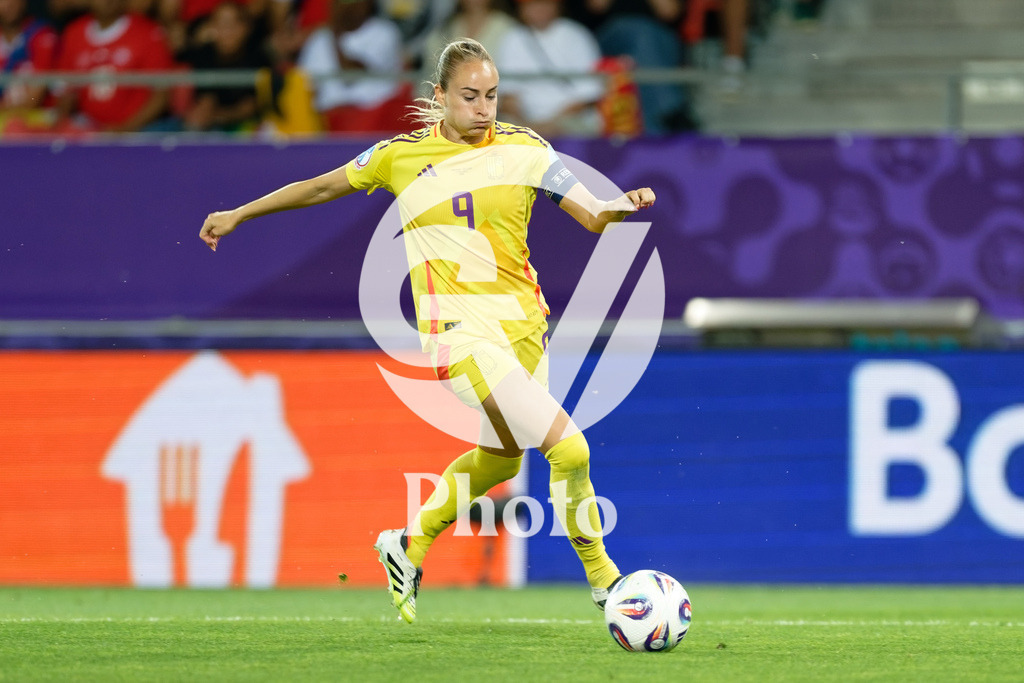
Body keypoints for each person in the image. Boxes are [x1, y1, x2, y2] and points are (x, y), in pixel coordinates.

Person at [199, 37, 655, 623]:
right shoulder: (399, 155)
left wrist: (618, 208)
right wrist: (240, 213)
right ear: (440, 97)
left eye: (491, 95)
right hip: (458, 333)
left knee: (502, 463)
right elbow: (319, 187)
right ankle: (606, 583)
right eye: (469, 96)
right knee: (569, 447)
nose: (484, 108)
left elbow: (592, 213)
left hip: (523, 327)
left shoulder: (528, 149)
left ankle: (407, 546)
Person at [52, 0, 176, 133]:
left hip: (139, 130)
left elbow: (161, 95)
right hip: (88, 128)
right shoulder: (74, 33)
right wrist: (61, 126)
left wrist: (125, 129)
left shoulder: (148, 33)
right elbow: (66, 91)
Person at [495, 0, 604, 138]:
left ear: (558, 5)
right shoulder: (511, 38)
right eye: (532, 4)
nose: (539, 8)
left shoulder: (577, 35)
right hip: (525, 121)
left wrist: (550, 125)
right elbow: (509, 97)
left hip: (571, 119)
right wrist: (526, 126)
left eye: (545, 3)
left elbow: (588, 96)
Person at [295, 0, 409, 133]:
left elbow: (352, 74)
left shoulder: (384, 32)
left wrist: (335, 35)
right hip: (326, 122)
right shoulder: (318, 39)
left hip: (373, 120)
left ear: (367, 4)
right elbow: (305, 85)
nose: (345, 8)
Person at [178, 1, 269, 132]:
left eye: (233, 24)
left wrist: (220, 116)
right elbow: (206, 101)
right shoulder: (203, 54)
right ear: (211, 27)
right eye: (221, 24)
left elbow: (250, 107)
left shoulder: (258, 58)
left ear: (246, 27)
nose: (227, 31)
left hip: (244, 126)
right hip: (206, 124)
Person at [0, 0, 58, 132]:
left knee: (14, 129)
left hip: (37, 118)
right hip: (3, 120)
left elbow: (33, 100)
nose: (9, 4)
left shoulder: (42, 35)